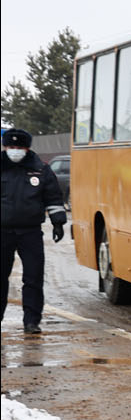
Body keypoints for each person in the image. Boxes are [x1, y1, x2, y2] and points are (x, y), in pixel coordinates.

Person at [2, 127, 68, 335]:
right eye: (11, 146)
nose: (15, 150)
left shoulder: (41, 169)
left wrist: (58, 222)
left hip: (30, 232)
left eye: (19, 147)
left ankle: (31, 322)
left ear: (27, 148)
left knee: (33, 278)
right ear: (5, 147)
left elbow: (53, 198)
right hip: (2, 232)